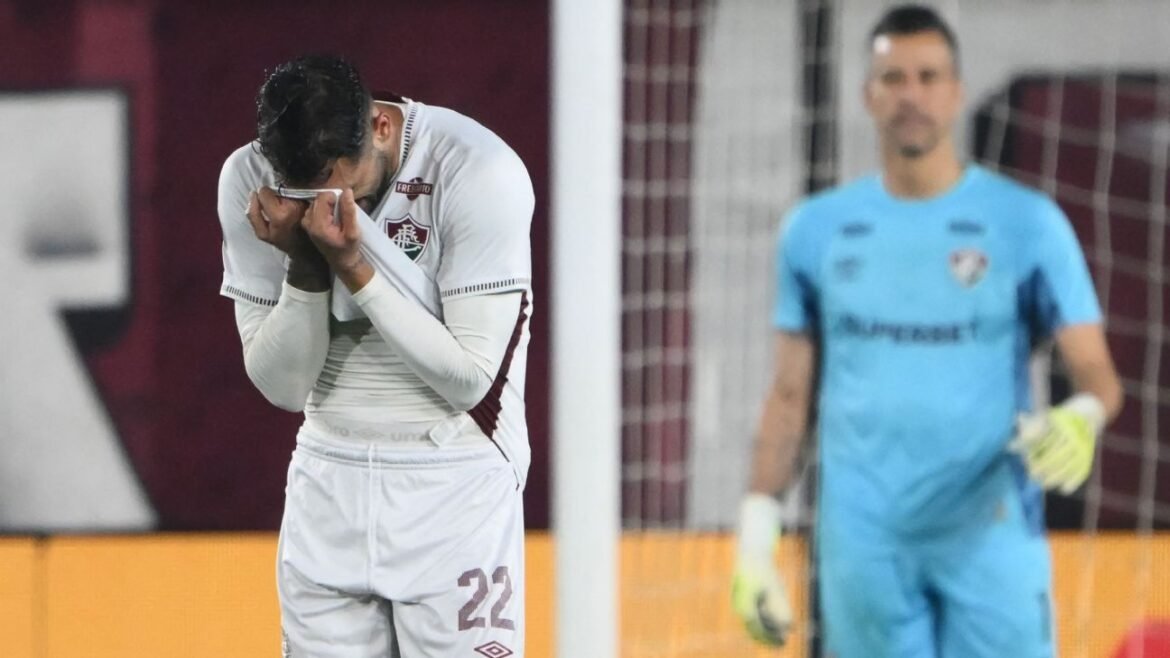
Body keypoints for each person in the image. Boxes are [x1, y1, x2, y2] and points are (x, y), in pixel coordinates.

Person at [731, 5, 1123, 657]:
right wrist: (754, 536)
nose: (911, 94)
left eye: (928, 76)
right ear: (868, 94)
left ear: (957, 91)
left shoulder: (1027, 224)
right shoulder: (816, 230)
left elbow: (1099, 376)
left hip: (991, 532)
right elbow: (790, 396)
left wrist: (1081, 416)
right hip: (865, 542)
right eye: (893, 78)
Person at [216, 54, 534, 657]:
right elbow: (284, 388)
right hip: (327, 477)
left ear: (380, 127)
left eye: (343, 184)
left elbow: (470, 380)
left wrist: (353, 265)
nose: (331, 205)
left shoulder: (475, 167)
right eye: (308, 193)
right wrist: (306, 265)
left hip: (454, 475)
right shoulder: (250, 179)